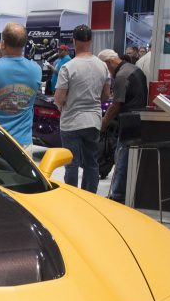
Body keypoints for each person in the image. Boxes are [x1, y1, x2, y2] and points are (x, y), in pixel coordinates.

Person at [54, 25, 111, 193]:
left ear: (74, 41)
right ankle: (89, 198)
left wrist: (65, 105)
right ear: (91, 41)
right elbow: (106, 96)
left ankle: (73, 198)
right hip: (93, 120)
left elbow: (59, 98)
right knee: (91, 163)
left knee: (71, 165)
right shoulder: (102, 66)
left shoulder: (68, 67)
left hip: (71, 122)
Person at [97, 49, 148, 202]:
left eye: (106, 68)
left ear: (109, 62)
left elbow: (116, 104)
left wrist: (103, 123)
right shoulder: (134, 69)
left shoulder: (121, 75)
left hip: (128, 121)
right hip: (139, 119)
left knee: (121, 159)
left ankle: (117, 196)